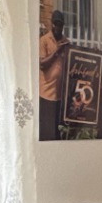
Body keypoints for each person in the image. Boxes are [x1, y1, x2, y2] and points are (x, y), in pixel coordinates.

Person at [38, 10, 68, 140]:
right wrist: (57, 51)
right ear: (52, 24)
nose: (57, 27)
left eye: (60, 24)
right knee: (46, 133)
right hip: (46, 94)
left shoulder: (66, 42)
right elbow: (42, 64)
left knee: (56, 133)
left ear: (63, 26)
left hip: (59, 95)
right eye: (55, 24)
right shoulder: (44, 40)